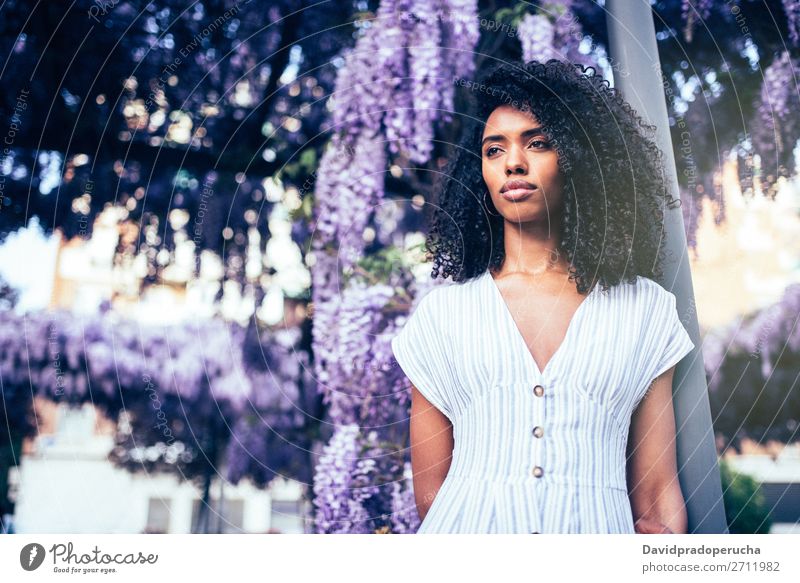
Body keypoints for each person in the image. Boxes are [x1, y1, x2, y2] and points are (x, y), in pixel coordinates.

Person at [390, 59, 695, 534]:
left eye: (538, 143)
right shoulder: (442, 316)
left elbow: (657, 501)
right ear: (481, 174)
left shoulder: (646, 311)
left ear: (580, 158)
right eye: (494, 149)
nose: (514, 162)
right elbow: (431, 495)